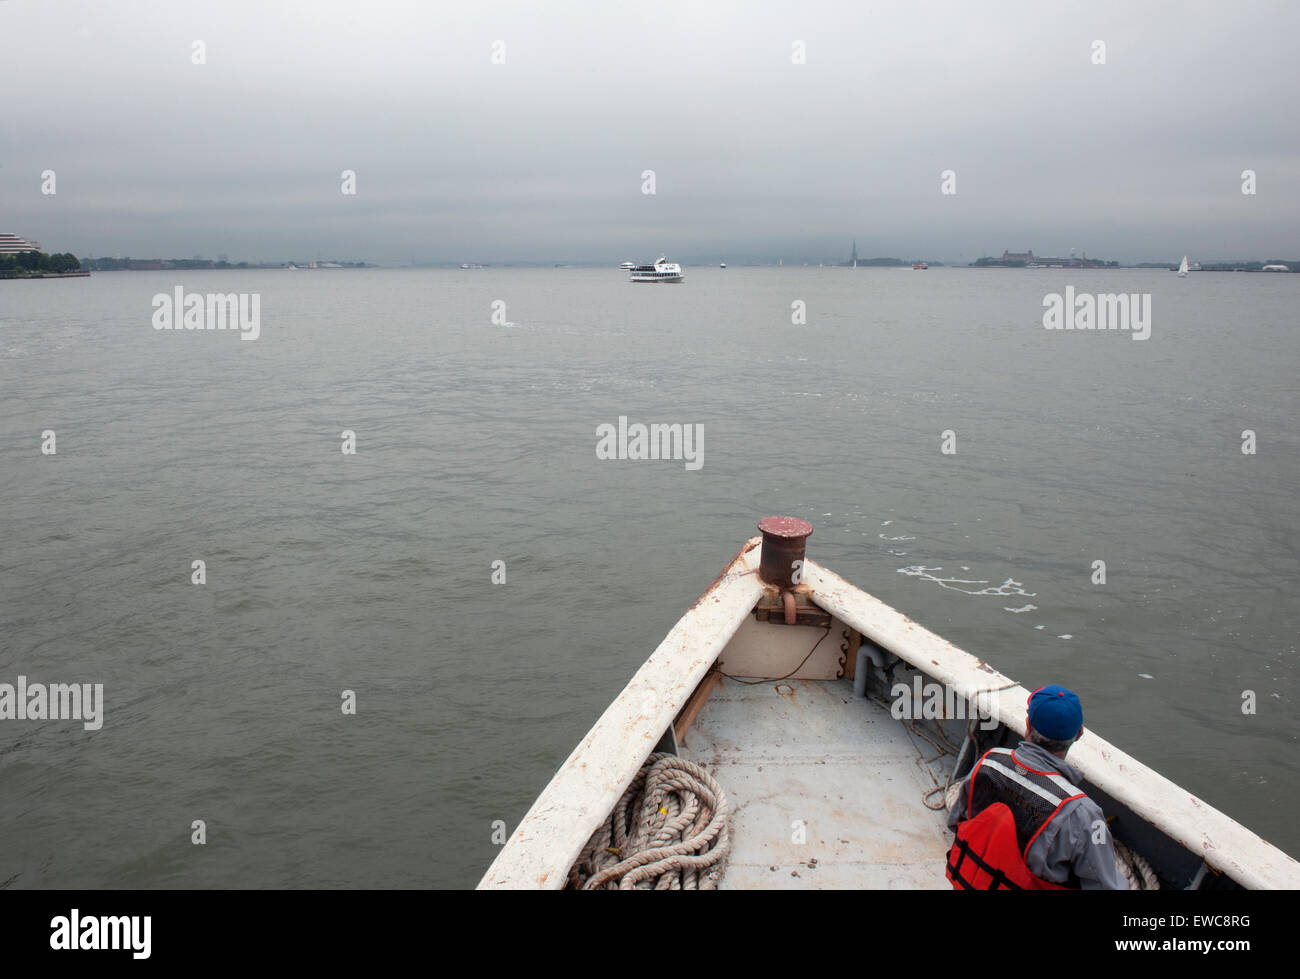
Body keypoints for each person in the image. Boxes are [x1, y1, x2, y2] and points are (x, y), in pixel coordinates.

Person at [945, 684, 1127, 890]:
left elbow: (956, 823)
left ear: (1028, 725)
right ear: (1079, 734)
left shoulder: (988, 763)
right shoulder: (1082, 813)